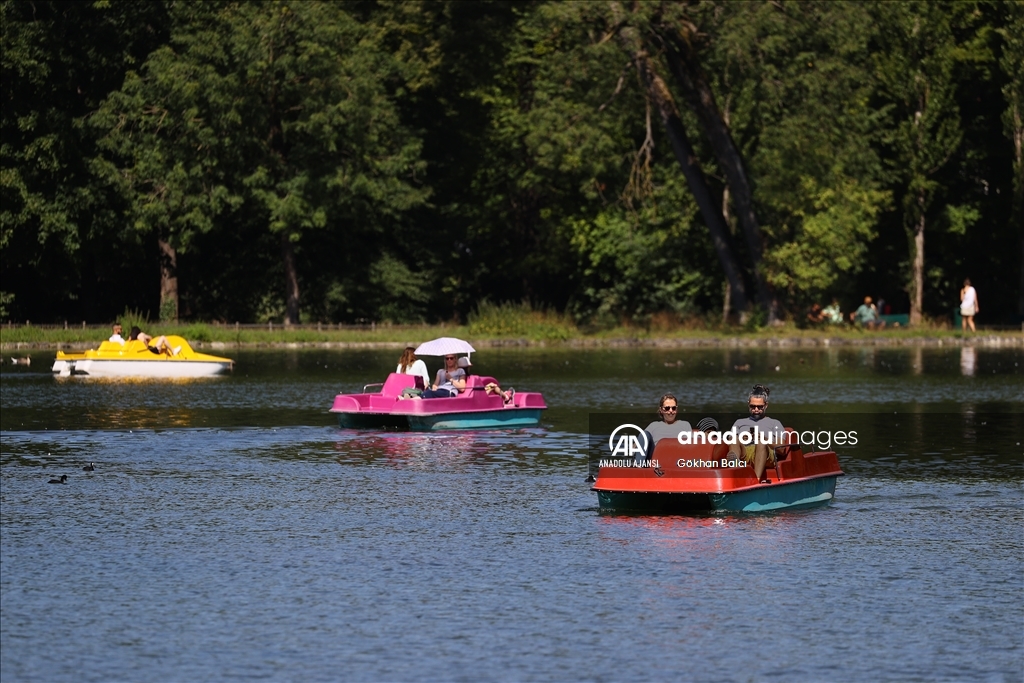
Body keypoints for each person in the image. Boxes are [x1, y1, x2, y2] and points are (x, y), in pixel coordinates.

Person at [728, 384, 787, 484]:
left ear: (766, 405)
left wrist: (764, 438)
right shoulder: (739, 422)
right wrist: (742, 437)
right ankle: (736, 470)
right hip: (745, 451)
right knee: (734, 439)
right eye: (753, 406)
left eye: (759, 407)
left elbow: (781, 449)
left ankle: (755, 481)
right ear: (748, 405)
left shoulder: (774, 423)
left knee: (761, 442)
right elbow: (729, 441)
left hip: (766, 452)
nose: (756, 409)